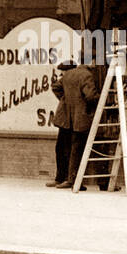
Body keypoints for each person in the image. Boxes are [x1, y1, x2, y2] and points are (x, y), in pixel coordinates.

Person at [59, 61, 100, 189]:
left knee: (73, 149)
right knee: (79, 149)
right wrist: (103, 99)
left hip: (70, 118)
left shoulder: (68, 74)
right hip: (82, 118)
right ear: (91, 61)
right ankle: (74, 181)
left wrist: (66, 101)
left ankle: (71, 179)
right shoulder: (87, 75)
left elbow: (56, 86)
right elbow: (90, 96)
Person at [46, 60, 75, 188]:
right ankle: (61, 177)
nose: (62, 74)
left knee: (66, 149)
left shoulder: (69, 80)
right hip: (66, 121)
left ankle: (65, 178)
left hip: (70, 121)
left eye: (63, 71)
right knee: (61, 148)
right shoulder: (66, 81)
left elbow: (55, 87)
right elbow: (55, 87)